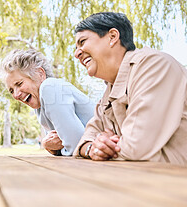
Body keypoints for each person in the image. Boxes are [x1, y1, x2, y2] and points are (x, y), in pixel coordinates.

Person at [73, 12, 187, 165]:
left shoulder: (153, 66)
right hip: (142, 179)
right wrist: (92, 148)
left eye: (82, 42)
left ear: (112, 36)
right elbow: (87, 138)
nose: (76, 53)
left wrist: (105, 148)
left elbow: (135, 146)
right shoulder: (109, 91)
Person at [0, 49, 95, 156]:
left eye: (19, 84)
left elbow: (77, 146)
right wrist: (49, 145)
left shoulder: (50, 87)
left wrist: (48, 144)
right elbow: (59, 145)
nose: (16, 95)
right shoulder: (39, 106)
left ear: (40, 74)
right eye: (11, 90)